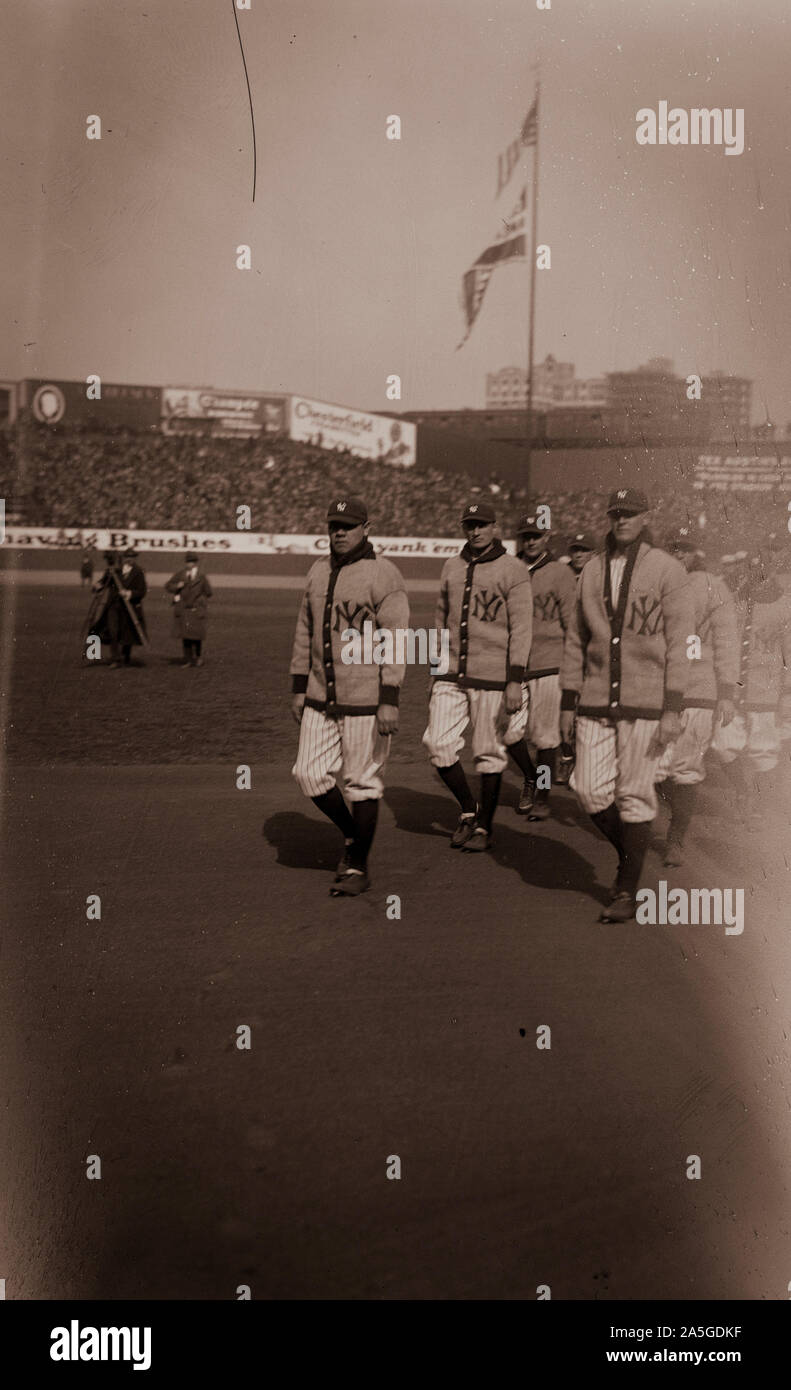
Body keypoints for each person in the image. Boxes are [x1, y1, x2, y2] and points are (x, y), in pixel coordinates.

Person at [560, 488, 693, 922]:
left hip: (648, 701)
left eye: (631, 514)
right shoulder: (592, 568)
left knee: (634, 795)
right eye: (617, 514)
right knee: (588, 789)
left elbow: (680, 644)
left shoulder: (667, 570)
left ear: (646, 517)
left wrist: (674, 706)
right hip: (596, 698)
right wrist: (567, 700)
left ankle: (626, 889)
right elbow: (576, 639)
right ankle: (630, 853)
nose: (622, 521)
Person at [289, 497, 409, 897]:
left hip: (367, 698)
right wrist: (298, 686)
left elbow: (396, 640)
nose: (339, 532)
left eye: (348, 526)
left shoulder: (384, 574)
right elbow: (305, 631)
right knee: (308, 772)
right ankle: (351, 835)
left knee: (362, 782)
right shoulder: (317, 570)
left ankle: (358, 867)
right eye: (333, 525)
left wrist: (390, 696)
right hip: (321, 694)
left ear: (366, 528)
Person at [422, 499, 532, 852]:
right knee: (438, 744)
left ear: (495, 527)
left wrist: (515, 678)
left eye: (482, 524)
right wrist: (436, 669)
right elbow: (440, 620)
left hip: (494, 677)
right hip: (452, 673)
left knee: (489, 751)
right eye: (470, 524)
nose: (476, 530)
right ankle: (469, 809)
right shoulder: (451, 567)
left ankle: (483, 828)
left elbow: (522, 628)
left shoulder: (513, 570)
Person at [654, 528, 739, 864]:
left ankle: (675, 839)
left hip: (699, 689)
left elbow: (727, 642)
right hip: (659, 690)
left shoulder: (713, 587)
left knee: (686, 768)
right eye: (673, 548)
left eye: (684, 549)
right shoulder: (657, 582)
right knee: (653, 768)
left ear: (696, 553)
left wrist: (727, 692)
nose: (678, 555)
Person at [710, 550, 791, 827]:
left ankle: (756, 803)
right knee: (722, 745)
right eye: (751, 572)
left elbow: (789, 653)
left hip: (765, 691)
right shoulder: (736, 602)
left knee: (764, 751)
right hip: (734, 691)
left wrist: (787, 693)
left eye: (761, 572)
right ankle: (742, 789)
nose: (755, 578)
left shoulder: (784, 605)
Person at [503, 514, 576, 819]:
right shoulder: (508, 569)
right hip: (514, 666)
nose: (530, 541)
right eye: (525, 535)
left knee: (546, 738)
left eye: (536, 535)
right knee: (506, 733)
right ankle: (531, 777)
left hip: (550, 664)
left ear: (547, 537)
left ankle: (543, 797)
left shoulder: (560, 573)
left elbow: (572, 623)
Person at [89, 546, 148, 668]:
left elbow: (142, 591)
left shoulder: (139, 572)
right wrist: (97, 586)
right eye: (128, 557)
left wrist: (129, 593)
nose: (129, 559)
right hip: (113, 606)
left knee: (128, 634)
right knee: (113, 631)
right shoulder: (114, 570)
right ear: (124, 557)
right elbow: (104, 582)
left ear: (135, 558)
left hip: (129, 607)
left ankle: (126, 656)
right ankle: (115, 659)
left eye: (132, 557)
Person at [165, 550, 213, 667]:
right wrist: (177, 586)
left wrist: (200, 600)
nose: (189, 564)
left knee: (196, 636)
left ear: (196, 563)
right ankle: (187, 659)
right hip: (183, 609)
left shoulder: (201, 577)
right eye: (188, 562)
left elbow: (209, 592)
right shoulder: (180, 574)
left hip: (196, 610)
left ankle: (198, 657)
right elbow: (168, 586)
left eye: (192, 562)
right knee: (185, 635)